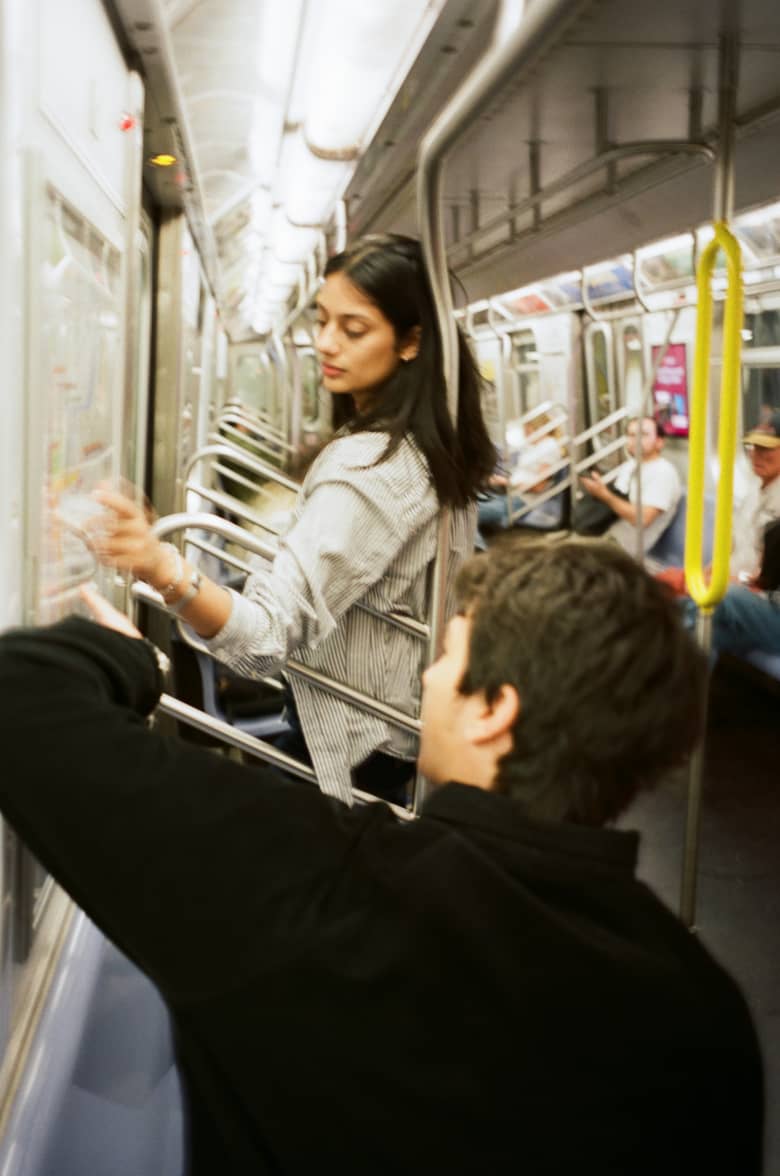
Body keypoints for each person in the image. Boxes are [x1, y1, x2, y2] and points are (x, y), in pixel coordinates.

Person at [0, 539, 763, 1173]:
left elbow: (21, 694)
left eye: (448, 658)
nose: (427, 676)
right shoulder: (702, 1013)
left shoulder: (327, 885)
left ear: (495, 711)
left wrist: (142, 665)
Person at [90, 234, 495, 806]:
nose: (326, 343)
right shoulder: (427, 446)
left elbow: (265, 640)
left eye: (354, 330)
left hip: (350, 749)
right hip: (386, 733)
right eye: (322, 321)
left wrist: (162, 567)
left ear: (411, 343)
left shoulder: (369, 469)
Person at [577, 416, 681, 556]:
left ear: (659, 442)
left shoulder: (663, 473)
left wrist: (605, 495)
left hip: (623, 547)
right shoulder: (630, 466)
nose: (635, 440)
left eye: (643, 435)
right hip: (607, 533)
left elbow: (643, 519)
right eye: (631, 435)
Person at [475, 409, 565, 545]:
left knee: (469, 513)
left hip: (522, 502)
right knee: (465, 507)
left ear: (537, 428)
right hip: (512, 498)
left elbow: (539, 486)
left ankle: (480, 552)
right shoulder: (537, 447)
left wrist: (505, 482)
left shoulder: (549, 447)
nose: (525, 434)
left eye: (527, 430)